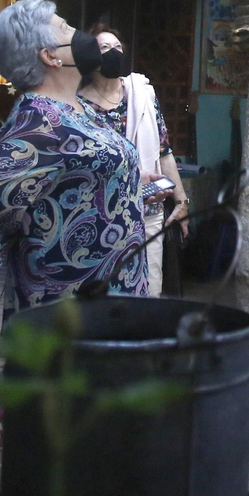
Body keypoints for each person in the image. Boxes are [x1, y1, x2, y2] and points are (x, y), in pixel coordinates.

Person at [0, 0, 148, 309]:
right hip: (71, 310)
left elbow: (74, 175)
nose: (78, 32)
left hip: (115, 298)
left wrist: (123, 183)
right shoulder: (40, 120)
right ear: (50, 56)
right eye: (64, 27)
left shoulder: (79, 109)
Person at [77, 22, 189, 298]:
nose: (113, 52)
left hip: (148, 214)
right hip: (100, 217)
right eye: (104, 48)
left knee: (149, 293)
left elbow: (164, 152)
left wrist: (181, 202)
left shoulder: (142, 95)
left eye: (117, 47)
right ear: (91, 58)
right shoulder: (76, 104)